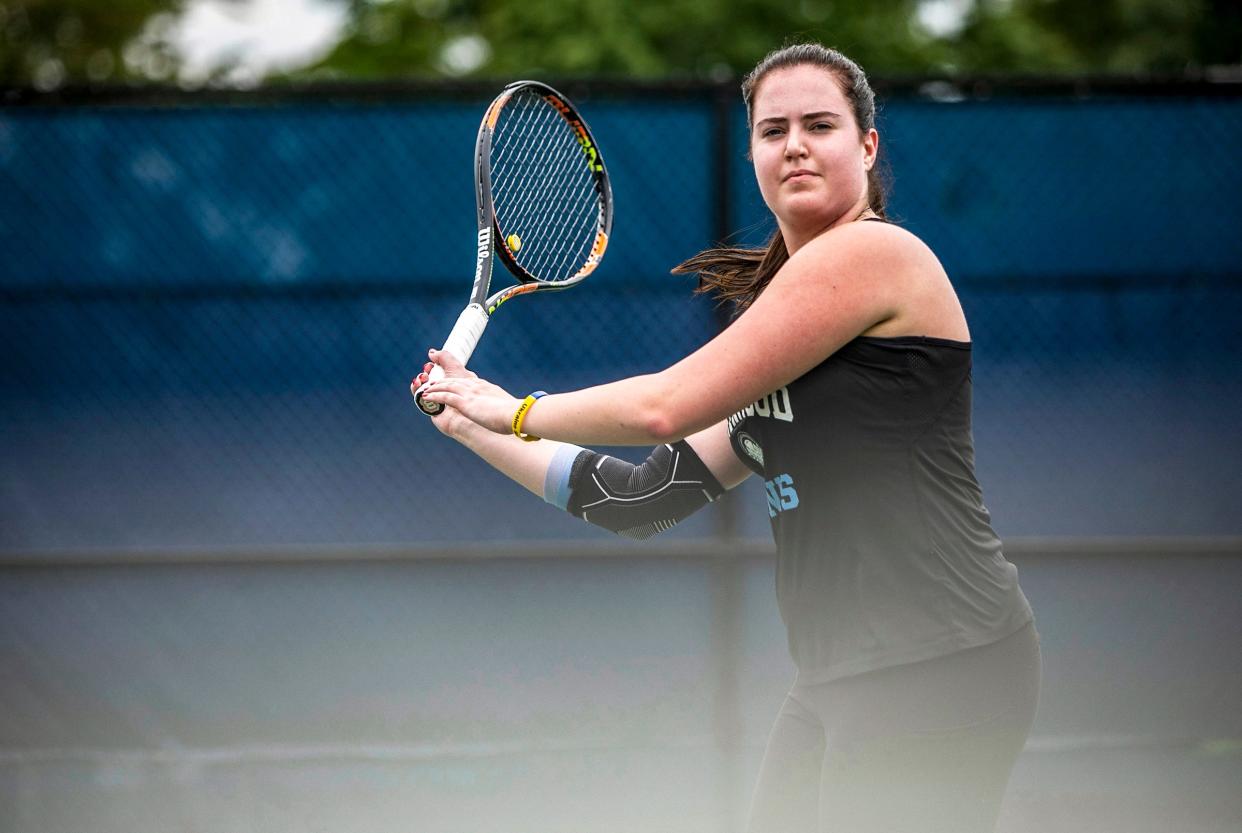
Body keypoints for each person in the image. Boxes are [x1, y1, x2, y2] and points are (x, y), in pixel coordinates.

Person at [414, 42, 1040, 833]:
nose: (796, 145)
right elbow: (640, 498)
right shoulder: (793, 325)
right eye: (774, 130)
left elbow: (664, 407)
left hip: (941, 663)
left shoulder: (876, 254)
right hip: (837, 675)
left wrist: (512, 407)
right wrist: (468, 421)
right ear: (752, 154)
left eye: (821, 124)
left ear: (868, 146)